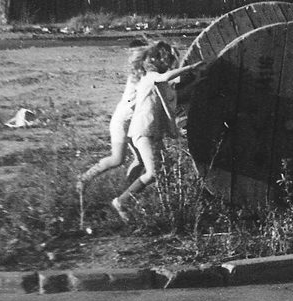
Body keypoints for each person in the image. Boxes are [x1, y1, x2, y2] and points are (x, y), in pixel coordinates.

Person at [76, 41, 206, 220]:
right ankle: (86, 180)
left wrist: (196, 80)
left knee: (140, 162)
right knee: (118, 159)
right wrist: (189, 69)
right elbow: (166, 80)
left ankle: (127, 195)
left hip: (138, 124)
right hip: (125, 122)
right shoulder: (142, 77)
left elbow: (171, 87)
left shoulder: (149, 76)